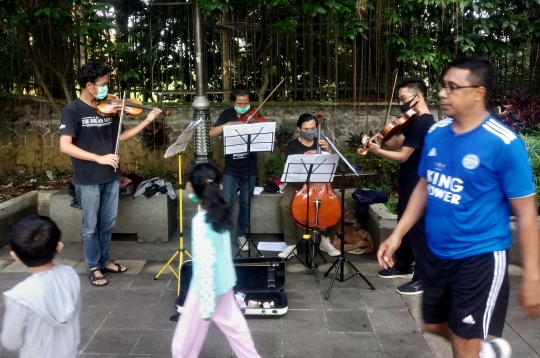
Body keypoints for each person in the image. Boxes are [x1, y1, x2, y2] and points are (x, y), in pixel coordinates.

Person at [378, 57, 540, 358]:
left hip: (480, 257)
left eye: (453, 87)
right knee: (435, 324)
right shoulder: (437, 133)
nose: (442, 93)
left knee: (464, 346)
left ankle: (476, 347)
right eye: (443, 85)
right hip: (437, 253)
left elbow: (527, 214)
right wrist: (398, 234)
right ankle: (483, 347)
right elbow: (425, 187)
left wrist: (533, 276)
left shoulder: (503, 143)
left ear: (478, 93)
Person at [59, 61, 162, 287]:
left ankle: (104, 261)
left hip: (112, 175)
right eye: (103, 84)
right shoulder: (72, 111)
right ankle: (93, 266)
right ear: (89, 85)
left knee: (107, 223)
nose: (107, 88)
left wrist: (146, 120)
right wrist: (99, 158)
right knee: (90, 225)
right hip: (88, 177)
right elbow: (65, 146)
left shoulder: (110, 109)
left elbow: (121, 137)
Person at [171, 163, 261, 358]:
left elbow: (205, 264)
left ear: (194, 189)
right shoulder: (220, 213)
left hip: (205, 290)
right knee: (237, 331)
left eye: (189, 183)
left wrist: (206, 305)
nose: (186, 186)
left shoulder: (201, 223)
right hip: (225, 284)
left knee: (184, 339)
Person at [361, 78, 435, 295]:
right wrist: (380, 141)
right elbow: (400, 142)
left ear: (418, 96)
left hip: (417, 183)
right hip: (409, 180)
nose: (401, 104)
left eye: (404, 99)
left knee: (418, 230)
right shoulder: (414, 121)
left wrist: (377, 151)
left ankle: (423, 277)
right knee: (405, 220)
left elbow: (403, 156)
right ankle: (403, 265)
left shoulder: (423, 123)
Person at [1, 215, 80, 358]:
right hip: (68, 351)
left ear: (15, 255)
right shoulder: (70, 274)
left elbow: (10, 342)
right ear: (59, 247)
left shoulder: (19, 296)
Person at [208, 83, 265, 252]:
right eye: (239, 104)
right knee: (228, 202)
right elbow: (211, 132)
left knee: (246, 203)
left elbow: (264, 131)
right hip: (232, 166)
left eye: (245, 103)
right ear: (233, 101)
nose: (243, 107)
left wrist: (254, 123)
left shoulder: (254, 113)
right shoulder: (227, 114)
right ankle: (222, 235)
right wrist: (229, 125)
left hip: (249, 165)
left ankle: (241, 235)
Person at [278, 113, 341, 259]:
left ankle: (326, 240)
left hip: (321, 184)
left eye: (313, 128)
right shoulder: (292, 146)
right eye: (307, 129)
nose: (311, 131)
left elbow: (331, 168)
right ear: (299, 129)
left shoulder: (322, 142)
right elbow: (291, 171)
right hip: (299, 185)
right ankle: (291, 244)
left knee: (339, 203)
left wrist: (329, 152)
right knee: (284, 205)